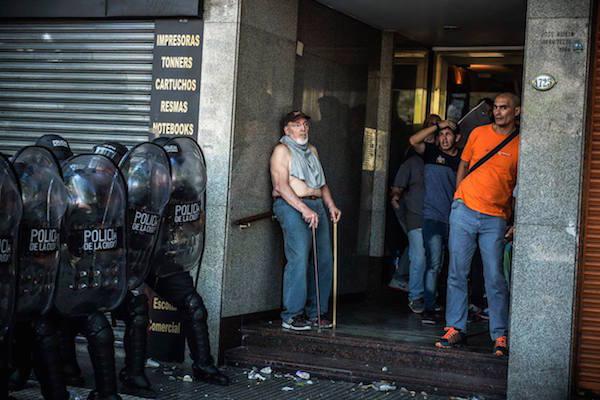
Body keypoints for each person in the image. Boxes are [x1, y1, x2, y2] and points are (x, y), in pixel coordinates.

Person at [435, 93, 520, 357]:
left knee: (495, 277)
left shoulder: (521, 143)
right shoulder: (479, 133)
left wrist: (515, 220)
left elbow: (523, 186)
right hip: (465, 209)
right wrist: (457, 197)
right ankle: (455, 328)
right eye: (495, 107)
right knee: (457, 272)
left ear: (516, 111)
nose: (498, 112)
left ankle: (500, 335)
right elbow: (464, 164)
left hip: (495, 216)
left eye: (504, 108)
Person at [270, 110, 341, 331]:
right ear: (286, 129)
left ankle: (316, 312)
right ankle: (292, 315)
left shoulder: (312, 150)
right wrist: (303, 209)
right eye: (297, 124)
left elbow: (322, 183)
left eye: (305, 124)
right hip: (293, 206)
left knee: (324, 259)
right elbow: (281, 186)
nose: (303, 128)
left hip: (316, 205)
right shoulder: (281, 150)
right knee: (299, 257)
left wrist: (330, 205)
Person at [408, 119, 461, 318]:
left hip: (456, 219)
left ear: (457, 137)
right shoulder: (431, 152)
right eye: (441, 134)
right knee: (434, 264)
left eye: (448, 134)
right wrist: (438, 125)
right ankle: (429, 308)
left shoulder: (462, 159)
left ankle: (452, 309)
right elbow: (413, 140)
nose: (444, 138)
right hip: (432, 218)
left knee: (455, 266)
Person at [388, 114, 441, 296]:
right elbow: (397, 187)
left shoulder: (443, 160)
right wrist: (395, 197)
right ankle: (415, 294)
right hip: (414, 213)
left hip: (437, 215)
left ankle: (428, 295)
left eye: (436, 125)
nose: (433, 129)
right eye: (429, 125)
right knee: (418, 255)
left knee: (433, 259)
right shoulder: (412, 160)